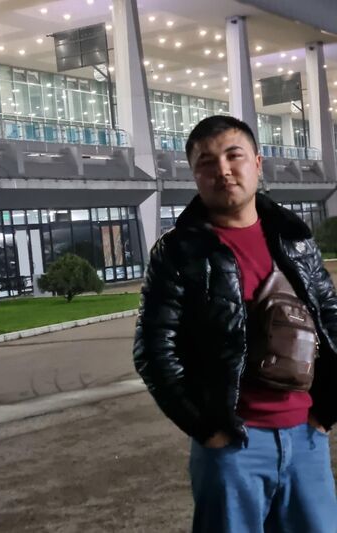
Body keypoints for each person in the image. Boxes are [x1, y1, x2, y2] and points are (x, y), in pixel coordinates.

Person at [133, 115, 337, 532]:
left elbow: (331, 320)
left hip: (306, 439)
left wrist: (328, 410)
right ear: (195, 175)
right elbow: (154, 350)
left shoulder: (294, 239)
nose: (223, 170)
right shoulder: (179, 252)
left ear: (257, 163)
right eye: (206, 162)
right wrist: (208, 430)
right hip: (233, 448)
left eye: (233, 155)